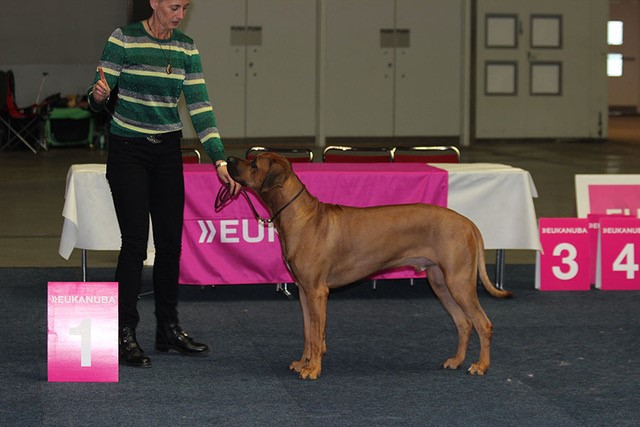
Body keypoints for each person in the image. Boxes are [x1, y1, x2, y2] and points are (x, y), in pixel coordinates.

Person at [88, 0, 240, 368]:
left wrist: (219, 156)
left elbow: (200, 106)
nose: (180, 14)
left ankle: (168, 329)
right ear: (155, 2)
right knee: (135, 245)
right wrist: (99, 96)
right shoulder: (123, 39)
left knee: (171, 245)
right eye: (174, 6)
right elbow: (95, 100)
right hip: (128, 151)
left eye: (186, 7)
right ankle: (125, 333)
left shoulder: (186, 48)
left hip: (168, 151)